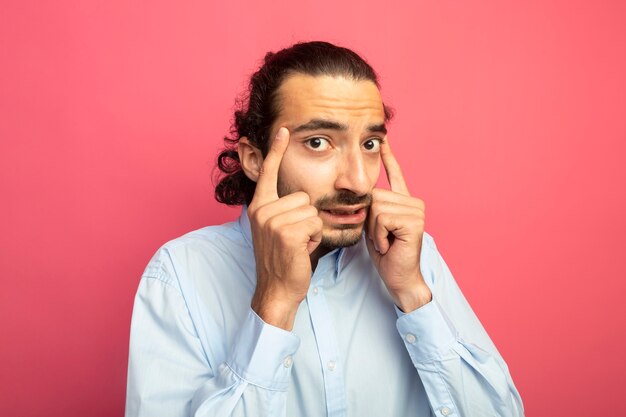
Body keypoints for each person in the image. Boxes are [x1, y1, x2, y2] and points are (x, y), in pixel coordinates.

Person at [125, 41, 524, 417]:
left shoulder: (412, 255)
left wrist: (412, 293)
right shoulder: (180, 273)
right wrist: (274, 303)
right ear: (253, 159)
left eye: (369, 144)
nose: (357, 181)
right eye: (318, 142)